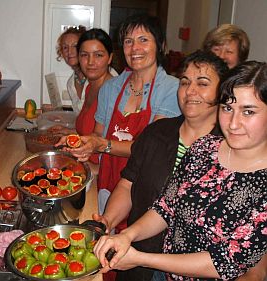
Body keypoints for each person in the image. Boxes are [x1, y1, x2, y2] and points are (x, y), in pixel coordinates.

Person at [94, 61, 267, 280]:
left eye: (248, 111)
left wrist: (141, 258)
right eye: (227, 108)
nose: (233, 123)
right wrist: (127, 235)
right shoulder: (205, 148)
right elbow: (166, 206)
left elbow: (225, 262)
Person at [58, 14, 181, 216]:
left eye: (143, 40)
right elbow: (97, 135)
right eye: (128, 41)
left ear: (160, 45)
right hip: (108, 183)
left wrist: (102, 144)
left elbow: (149, 149)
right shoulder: (111, 88)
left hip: (147, 192)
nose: (135, 48)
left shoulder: (171, 89)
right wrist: (84, 145)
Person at [56, 25, 87, 113]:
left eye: (75, 46)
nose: (69, 52)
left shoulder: (100, 76)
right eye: (65, 47)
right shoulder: (70, 84)